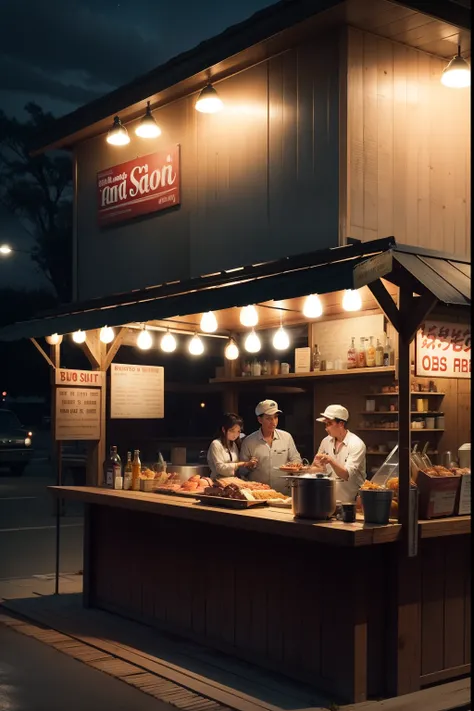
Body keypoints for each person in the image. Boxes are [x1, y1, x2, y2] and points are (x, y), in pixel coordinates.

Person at [240, 400, 302, 493]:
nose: (273, 422)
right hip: (258, 494)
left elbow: (297, 460)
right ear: (259, 420)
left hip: (284, 493)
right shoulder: (249, 441)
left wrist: (293, 465)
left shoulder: (286, 437)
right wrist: (248, 466)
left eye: (275, 417)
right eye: (269, 418)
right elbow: (241, 471)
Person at [312, 404, 366, 502]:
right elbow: (317, 468)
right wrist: (305, 470)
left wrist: (331, 460)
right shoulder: (326, 441)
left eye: (329, 424)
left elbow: (346, 475)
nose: (326, 428)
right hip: (328, 500)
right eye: (325, 424)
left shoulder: (356, 444)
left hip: (351, 502)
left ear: (341, 424)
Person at [207, 412, 257, 479]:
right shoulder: (216, 444)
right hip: (217, 482)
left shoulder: (233, 444)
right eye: (232, 431)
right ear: (224, 429)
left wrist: (249, 465)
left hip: (231, 481)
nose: (235, 435)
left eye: (238, 431)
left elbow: (236, 470)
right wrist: (242, 464)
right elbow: (220, 468)